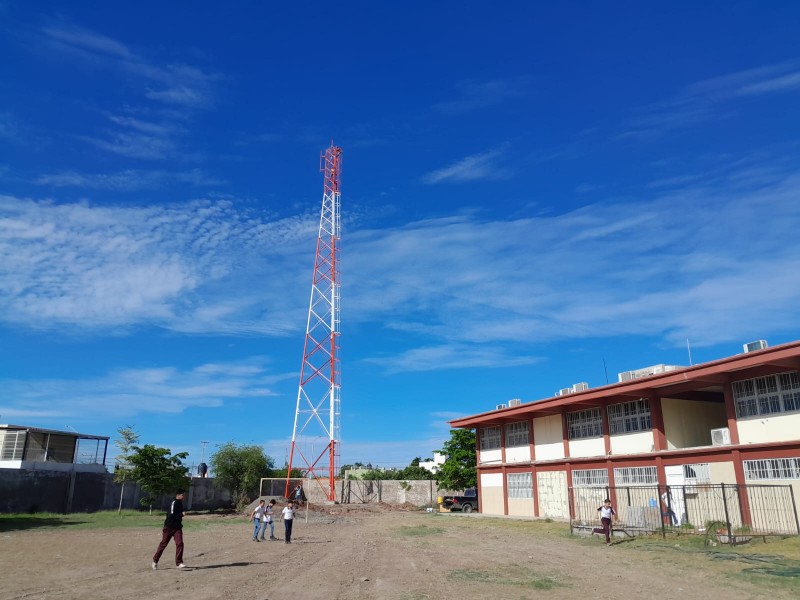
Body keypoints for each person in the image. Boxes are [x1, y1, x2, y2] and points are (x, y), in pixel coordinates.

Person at [152, 489, 187, 569]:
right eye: (183, 495)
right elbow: (171, 516)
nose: (184, 497)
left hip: (177, 527)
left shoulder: (180, 503)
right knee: (163, 544)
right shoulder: (174, 503)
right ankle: (155, 560)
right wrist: (181, 514)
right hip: (169, 527)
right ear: (178, 495)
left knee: (180, 543)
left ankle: (179, 562)